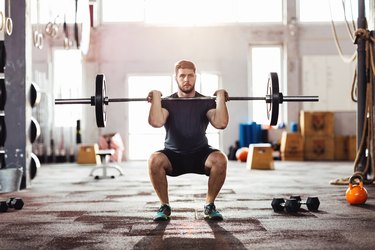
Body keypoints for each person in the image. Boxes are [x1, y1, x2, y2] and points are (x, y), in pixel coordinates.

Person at [147, 60, 229, 221]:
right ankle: (164, 206)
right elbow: (156, 122)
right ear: (175, 78)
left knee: (220, 159)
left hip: (201, 154)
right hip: (173, 156)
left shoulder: (206, 101)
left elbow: (221, 123)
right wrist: (156, 96)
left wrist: (220, 98)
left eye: (190, 75)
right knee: (154, 160)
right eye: (182, 76)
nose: (186, 80)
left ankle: (209, 205)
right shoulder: (167, 102)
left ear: (195, 77)